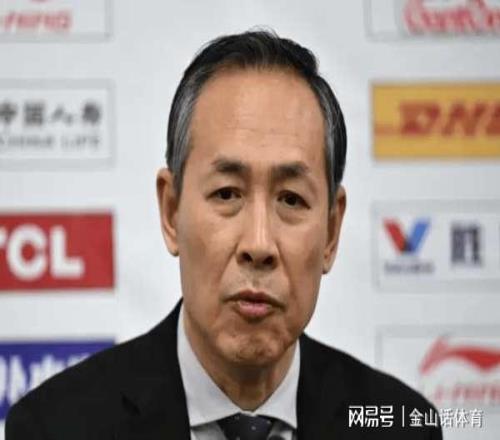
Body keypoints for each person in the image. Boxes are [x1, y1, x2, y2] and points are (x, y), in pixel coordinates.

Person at [6, 30, 442, 440]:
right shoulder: (55, 427)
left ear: (331, 231)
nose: (258, 244)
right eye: (227, 193)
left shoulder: (402, 426)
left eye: (291, 199)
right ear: (171, 210)